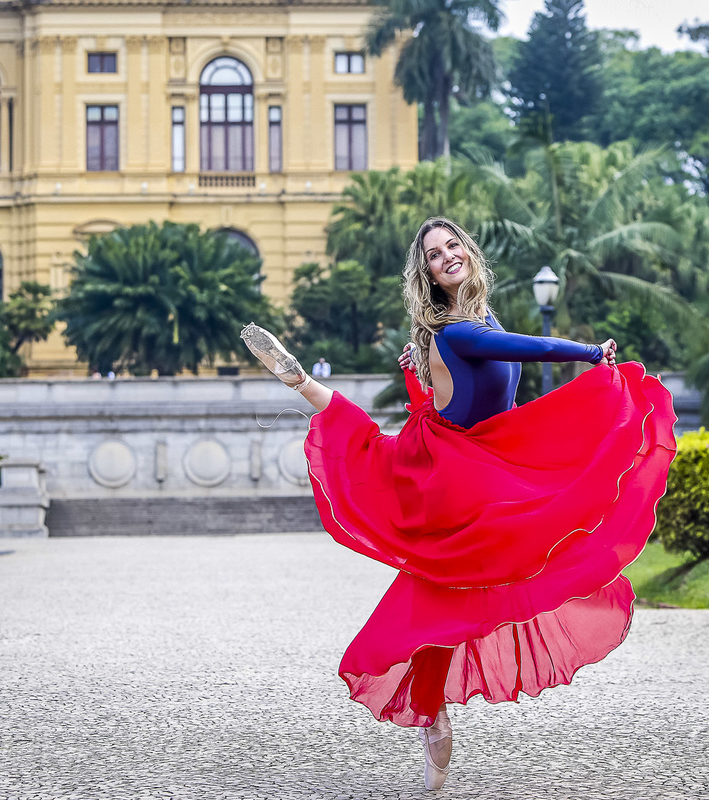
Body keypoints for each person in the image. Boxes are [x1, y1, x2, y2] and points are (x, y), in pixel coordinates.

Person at [241, 217, 676, 791]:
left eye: (452, 247)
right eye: (433, 254)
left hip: (474, 454)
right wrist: (590, 352)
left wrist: (419, 379)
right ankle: (301, 381)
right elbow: (531, 348)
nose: (446, 257)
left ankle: (433, 717)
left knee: (450, 588)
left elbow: (480, 386)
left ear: (468, 253)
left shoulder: (478, 320)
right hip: (445, 466)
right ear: (427, 273)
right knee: (384, 462)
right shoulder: (454, 331)